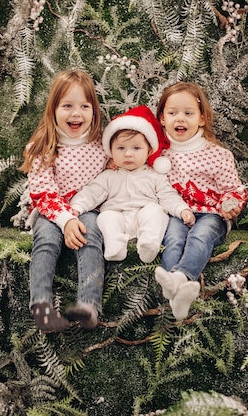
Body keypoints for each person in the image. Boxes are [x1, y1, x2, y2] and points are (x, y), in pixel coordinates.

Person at [20, 69, 108, 332]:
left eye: (84, 106)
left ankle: (89, 306)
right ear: (53, 109)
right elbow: (42, 192)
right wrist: (65, 220)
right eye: (67, 106)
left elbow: (110, 180)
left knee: (91, 235)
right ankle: (42, 307)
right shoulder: (44, 144)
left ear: (94, 110)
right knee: (46, 240)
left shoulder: (102, 144)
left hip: (88, 210)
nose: (76, 114)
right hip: (51, 210)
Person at [153, 82, 247, 321]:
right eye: (172, 113)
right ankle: (176, 293)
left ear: (202, 118)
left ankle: (181, 277)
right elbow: (132, 166)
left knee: (200, 236)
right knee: (173, 238)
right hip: (176, 212)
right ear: (162, 118)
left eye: (188, 113)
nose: (180, 119)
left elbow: (232, 189)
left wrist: (230, 205)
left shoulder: (217, 155)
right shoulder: (156, 153)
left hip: (211, 214)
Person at [70, 105, 195, 264]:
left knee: (155, 211)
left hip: (144, 219)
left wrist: (181, 209)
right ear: (111, 151)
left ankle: (149, 243)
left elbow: (168, 196)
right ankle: (115, 244)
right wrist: (76, 208)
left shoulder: (154, 176)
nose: (128, 154)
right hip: (119, 219)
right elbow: (91, 193)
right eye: (121, 148)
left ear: (149, 151)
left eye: (136, 148)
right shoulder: (109, 176)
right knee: (105, 217)